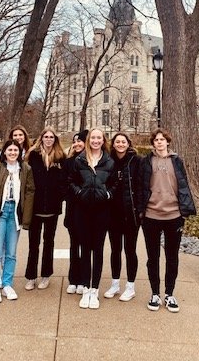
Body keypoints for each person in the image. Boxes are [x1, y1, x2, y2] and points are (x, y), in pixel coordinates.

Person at [137, 128, 196, 313]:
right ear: (153, 143)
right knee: (152, 257)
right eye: (156, 140)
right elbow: (141, 186)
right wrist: (141, 210)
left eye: (162, 139)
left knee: (172, 257)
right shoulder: (147, 161)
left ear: (167, 142)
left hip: (174, 216)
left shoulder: (177, 161)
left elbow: (184, 186)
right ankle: (155, 293)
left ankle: (169, 294)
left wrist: (184, 210)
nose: (160, 142)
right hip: (151, 215)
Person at [68, 127, 116, 309]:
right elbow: (70, 180)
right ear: (88, 140)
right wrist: (79, 193)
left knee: (98, 250)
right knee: (85, 249)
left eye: (99, 138)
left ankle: (95, 289)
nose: (96, 141)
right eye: (93, 138)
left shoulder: (109, 161)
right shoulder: (80, 160)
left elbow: (114, 184)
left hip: (101, 211)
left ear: (103, 140)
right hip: (83, 210)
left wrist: (108, 195)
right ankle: (86, 288)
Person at [0, 140, 35, 303]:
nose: (13, 153)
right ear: (4, 152)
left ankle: (7, 284)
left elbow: (29, 191)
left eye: (15, 150)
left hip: (15, 214)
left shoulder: (25, 169)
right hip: (1, 212)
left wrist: (26, 216)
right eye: (9, 150)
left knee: (11, 253)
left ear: (20, 153)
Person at [24, 126, 66, 290]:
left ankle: (46, 275)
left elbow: (63, 180)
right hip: (35, 206)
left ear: (55, 140)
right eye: (46, 137)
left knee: (49, 242)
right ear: (41, 138)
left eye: (51, 137)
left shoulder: (60, 157)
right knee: (33, 243)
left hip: (52, 208)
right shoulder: (33, 156)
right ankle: (31, 276)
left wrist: (60, 197)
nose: (49, 139)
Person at [104, 132, 141, 302]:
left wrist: (140, 209)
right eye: (117, 141)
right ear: (113, 144)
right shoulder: (109, 161)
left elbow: (142, 185)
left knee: (130, 250)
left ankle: (130, 286)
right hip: (113, 213)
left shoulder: (136, 161)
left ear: (128, 144)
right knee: (115, 250)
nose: (120, 144)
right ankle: (115, 284)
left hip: (130, 214)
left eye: (123, 141)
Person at [63, 129, 88, 295]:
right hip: (73, 208)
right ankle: (74, 278)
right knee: (74, 244)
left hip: (88, 209)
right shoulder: (69, 162)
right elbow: (65, 185)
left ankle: (84, 279)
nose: (77, 143)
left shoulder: (93, 161)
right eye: (75, 141)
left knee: (86, 245)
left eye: (80, 140)